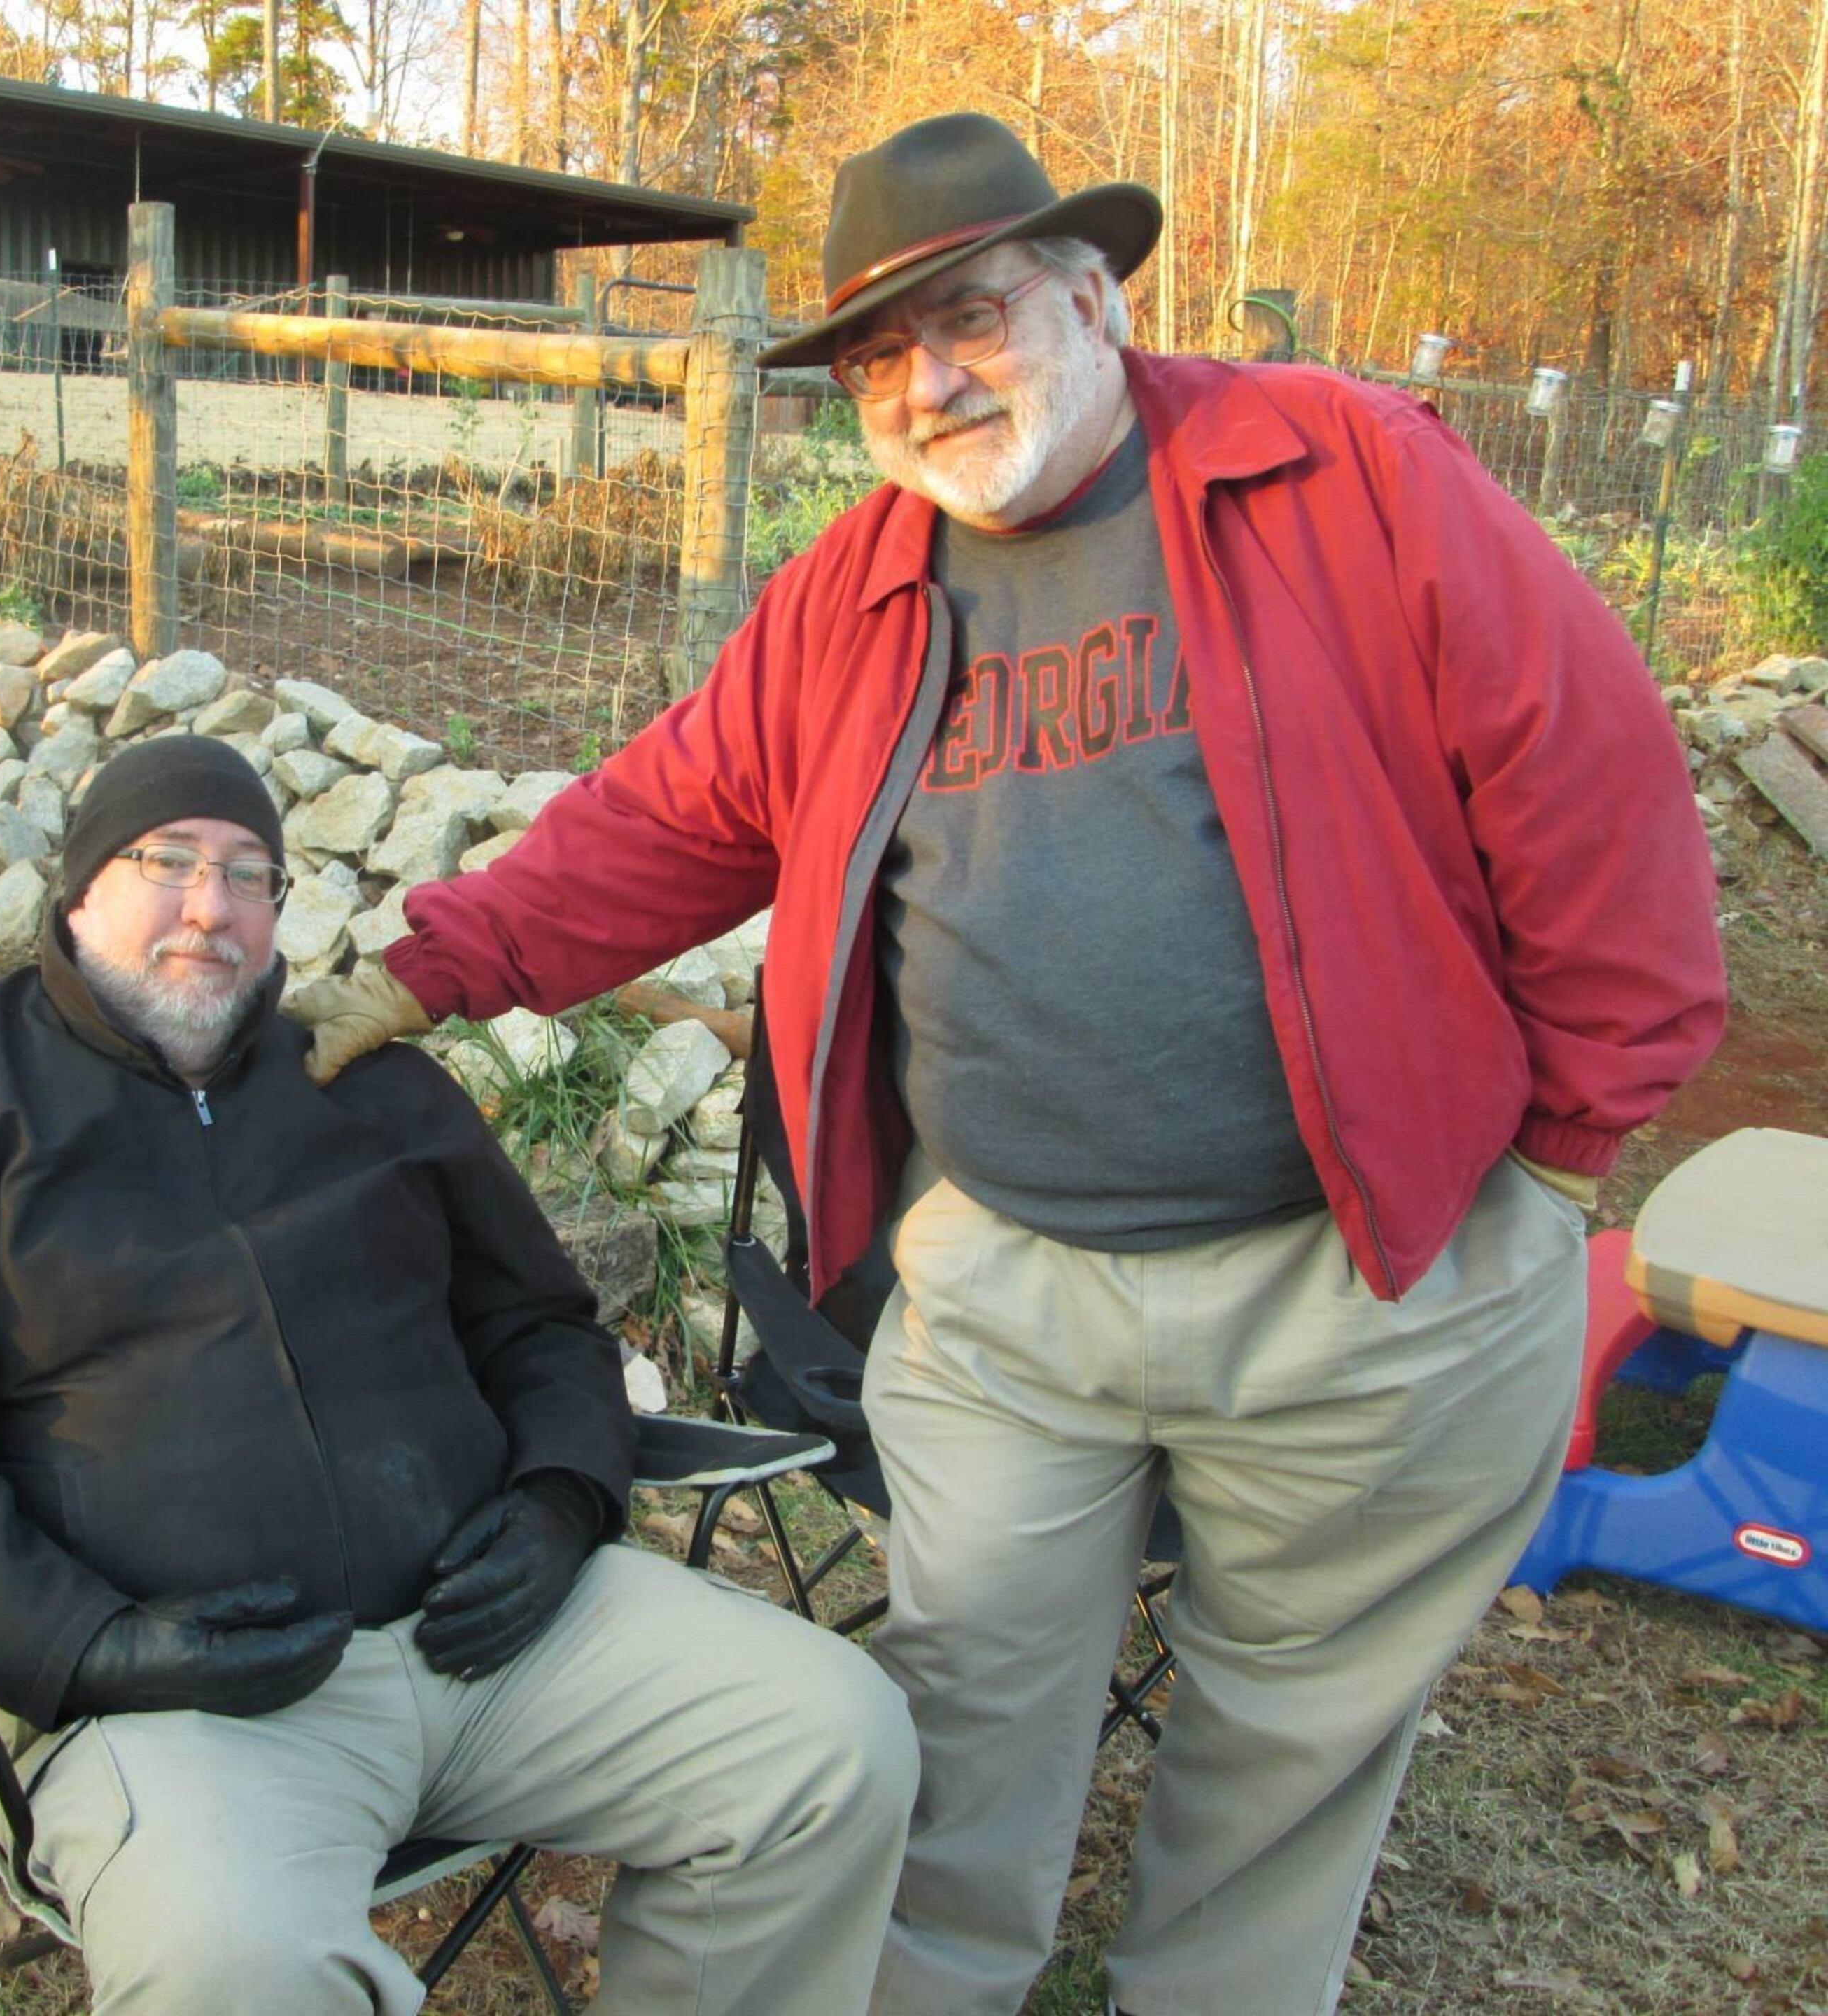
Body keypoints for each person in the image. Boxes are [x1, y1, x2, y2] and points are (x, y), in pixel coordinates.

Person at [288, 114, 1727, 2016]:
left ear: (1088, 292)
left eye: (966, 316)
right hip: (1004, 1288)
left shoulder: (1344, 473)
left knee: (1287, 1746)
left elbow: (1590, 793)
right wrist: (429, 964)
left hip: (1364, 1269)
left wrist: (1558, 1161)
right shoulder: (858, 590)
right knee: (961, 1709)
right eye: (878, 358)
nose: (928, 383)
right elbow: (663, 821)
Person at [0, 734, 916, 2016]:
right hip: (183, 1706)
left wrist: (559, 1502)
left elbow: (544, 1327)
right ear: (81, 888)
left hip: (499, 1646)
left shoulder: (370, 1083)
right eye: (169, 863)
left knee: (838, 1744)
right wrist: (95, 1647)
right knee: (230, 1963)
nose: (211, 907)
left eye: (250, 874)